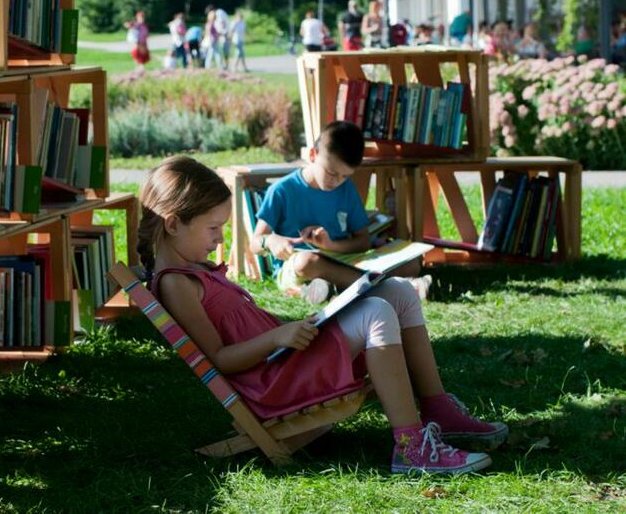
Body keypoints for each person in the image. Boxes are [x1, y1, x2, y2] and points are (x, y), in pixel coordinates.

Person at [138, 155, 508, 475]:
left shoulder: (195, 271)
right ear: (172, 224)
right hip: (273, 382)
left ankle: (436, 407)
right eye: (213, 228)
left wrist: (290, 331)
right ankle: (411, 449)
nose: (219, 239)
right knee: (376, 312)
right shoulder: (178, 285)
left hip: (284, 361)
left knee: (395, 291)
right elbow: (219, 359)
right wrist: (278, 337)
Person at [249, 120, 432, 302]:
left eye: (345, 176)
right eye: (331, 173)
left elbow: (363, 242)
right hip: (298, 265)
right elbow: (255, 242)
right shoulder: (282, 190)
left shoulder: (346, 189)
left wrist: (330, 245)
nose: (336, 181)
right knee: (308, 261)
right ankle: (392, 289)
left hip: (344, 260)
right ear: (313, 155)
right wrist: (270, 240)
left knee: (411, 264)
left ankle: (333, 287)